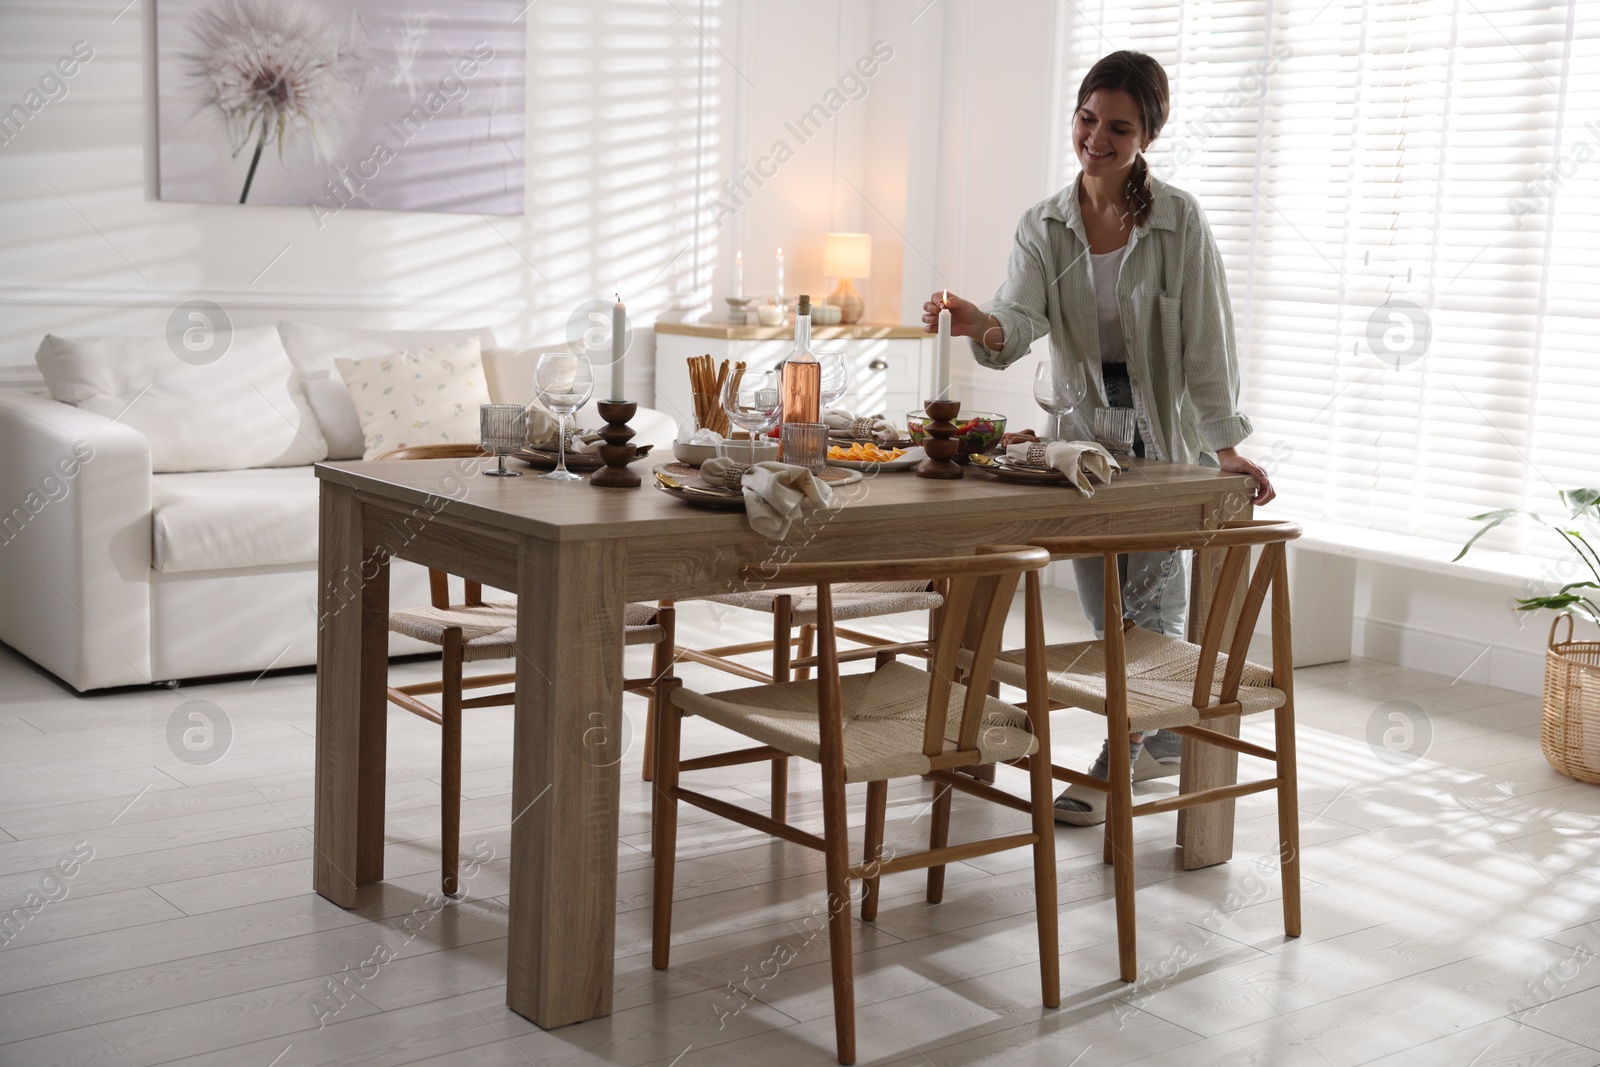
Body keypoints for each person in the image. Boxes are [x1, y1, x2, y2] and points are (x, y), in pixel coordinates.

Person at [922, 50, 1275, 825]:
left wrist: (1224, 448)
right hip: (1081, 440)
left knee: (1151, 601)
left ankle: (1132, 747)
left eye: (1119, 126)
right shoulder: (1044, 223)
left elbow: (1207, 346)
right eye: (1088, 119)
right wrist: (981, 321)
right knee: (1103, 605)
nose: (1097, 138)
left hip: (1162, 436)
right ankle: (1157, 740)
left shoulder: (1179, 222)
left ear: (1147, 134)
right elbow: (1017, 324)